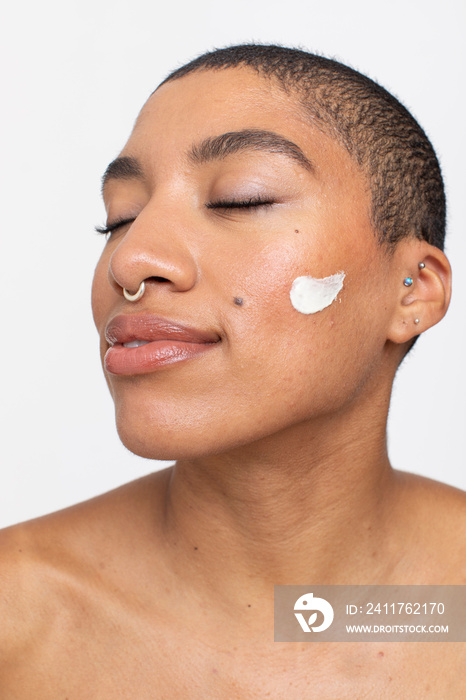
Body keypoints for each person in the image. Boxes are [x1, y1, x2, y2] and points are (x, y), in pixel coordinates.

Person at [1, 44, 464, 698]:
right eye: (120, 217)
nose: (130, 260)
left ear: (412, 289)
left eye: (240, 199)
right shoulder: (16, 621)